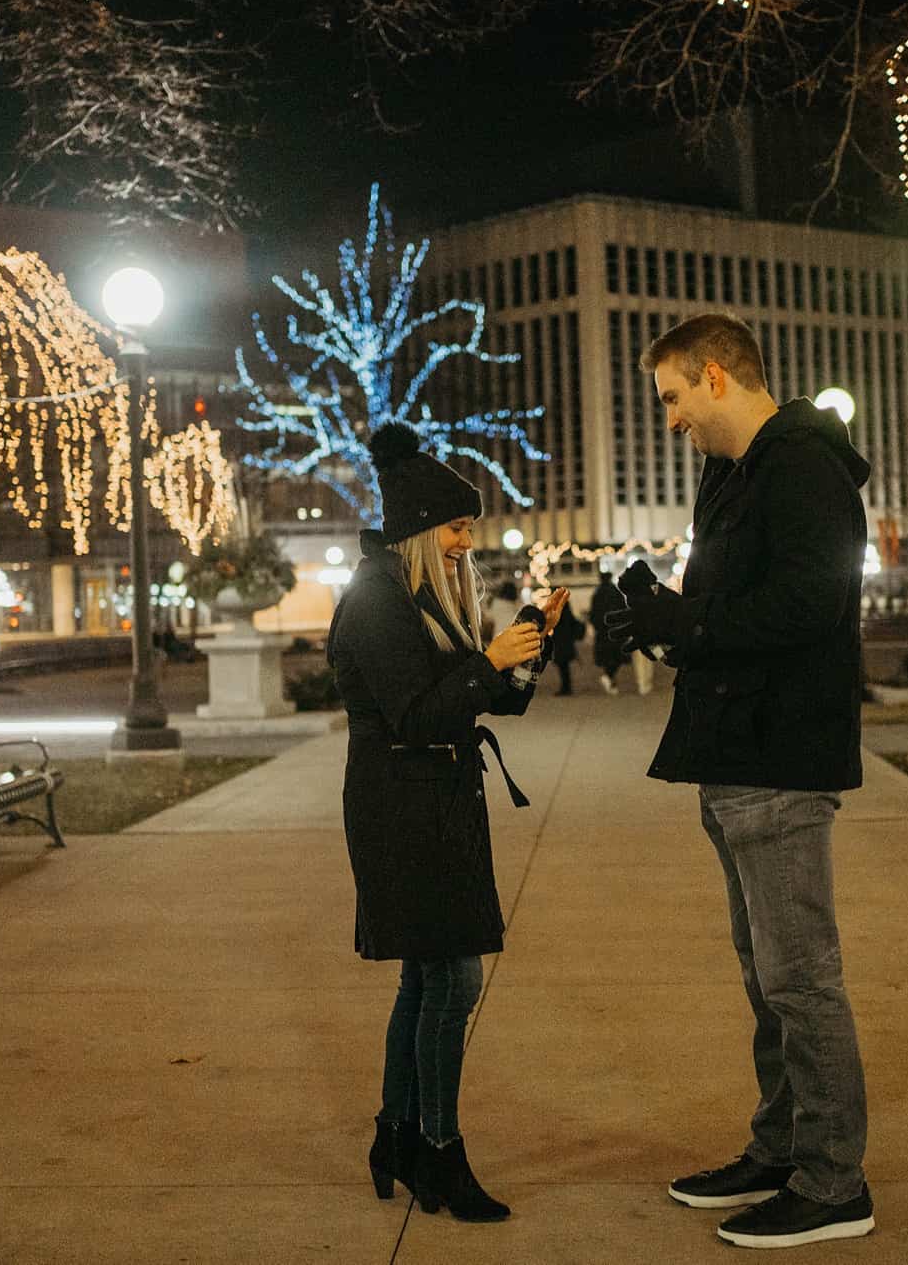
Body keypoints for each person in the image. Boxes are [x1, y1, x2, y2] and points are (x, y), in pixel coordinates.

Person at [603, 313, 875, 1250]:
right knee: (767, 975)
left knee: (802, 978)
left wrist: (692, 626)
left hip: (781, 752)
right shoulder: (732, 474)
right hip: (735, 749)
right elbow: (728, 603)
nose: (670, 418)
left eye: (674, 396)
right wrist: (659, 616)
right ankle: (782, 1146)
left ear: (716, 376)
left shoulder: (801, 463)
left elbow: (813, 600)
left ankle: (835, 1182)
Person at [327, 423, 567, 1225]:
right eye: (459, 528)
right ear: (424, 531)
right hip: (402, 811)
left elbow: (493, 698)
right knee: (454, 979)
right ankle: (439, 1149)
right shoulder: (375, 601)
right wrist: (488, 663)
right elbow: (417, 712)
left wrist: (526, 646)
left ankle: (398, 1137)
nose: (470, 542)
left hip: (439, 803)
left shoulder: (427, 596)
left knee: (427, 978)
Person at [587, 571, 629, 694]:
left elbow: (593, 613)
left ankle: (609, 677)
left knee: (606, 657)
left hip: (602, 631)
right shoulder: (616, 592)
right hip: (615, 629)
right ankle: (610, 678)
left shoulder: (597, 593)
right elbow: (623, 609)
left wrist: (596, 626)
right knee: (616, 656)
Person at [551, 596, 585, 695]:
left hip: (561, 642)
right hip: (566, 642)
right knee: (564, 666)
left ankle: (566, 688)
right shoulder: (566, 611)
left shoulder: (558, 612)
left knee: (563, 667)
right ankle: (566, 687)